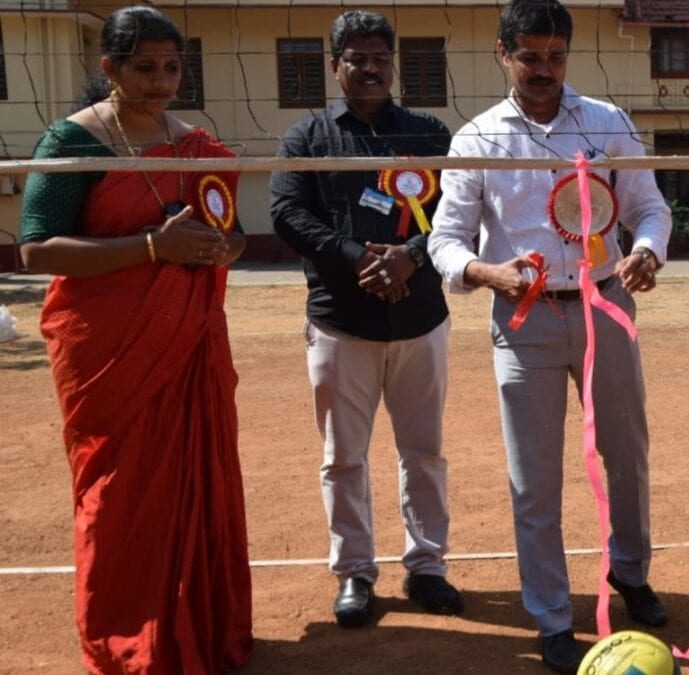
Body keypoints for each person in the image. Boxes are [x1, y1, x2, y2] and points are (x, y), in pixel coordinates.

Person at [428, 1, 671, 671]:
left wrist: (647, 250)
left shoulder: (607, 122)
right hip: (523, 318)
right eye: (529, 56)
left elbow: (650, 207)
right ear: (502, 53)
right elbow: (443, 239)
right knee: (533, 478)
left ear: (568, 54)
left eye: (555, 56)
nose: (543, 69)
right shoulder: (476, 139)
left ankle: (630, 570)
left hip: (604, 304)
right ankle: (551, 613)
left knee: (627, 454)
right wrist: (484, 271)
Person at [18, 7, 252, 672]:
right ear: (109, 69)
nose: (160, 82)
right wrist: (152, 245)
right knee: (115, 494)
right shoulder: (74, 141)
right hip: (107, 351)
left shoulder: (197, 146)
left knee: (197, 483)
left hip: (190, 345)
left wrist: (218, 247)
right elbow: (36, 250)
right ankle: (127, 639)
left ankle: (199, 629)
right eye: (144, 68)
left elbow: (228, 236)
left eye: (171, 68)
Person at [269, 10, 463, 629]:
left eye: (380, 55)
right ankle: (355, 571)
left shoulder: (430, 134)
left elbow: (462, 213)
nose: (370, 66)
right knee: (343, 456)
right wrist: (359, 259)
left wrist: (409, 257)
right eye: (356, 57)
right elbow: (287, 214)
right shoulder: (306, 138)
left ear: (393, 61)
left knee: (424, 451)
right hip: (339, 321)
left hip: (421, 320)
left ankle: (427, 565)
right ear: (336, 66)